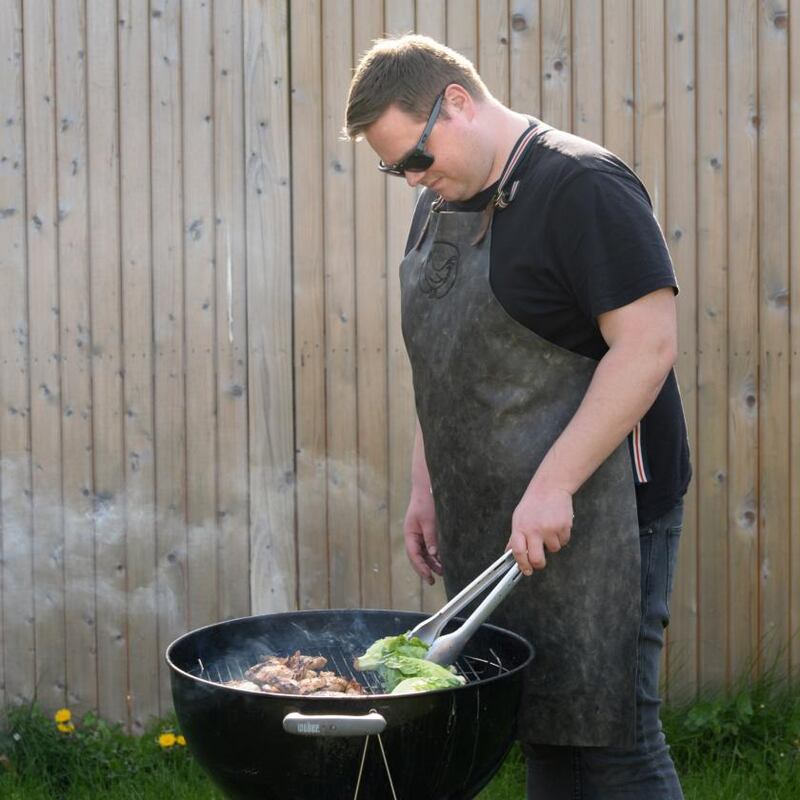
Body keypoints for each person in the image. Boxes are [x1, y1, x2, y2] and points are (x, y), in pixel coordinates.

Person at [345, 34, 691, 800]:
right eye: (394, 169)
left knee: (614, 744)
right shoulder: (439, 206)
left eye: (414, 159)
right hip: (509, 520)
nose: (411, 181)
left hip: (604, 515)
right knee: (540, 725)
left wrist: (554, 483)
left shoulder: (583, 186)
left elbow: (647, 344)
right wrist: (425, 483)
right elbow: (444, 358)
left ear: (457, 103)